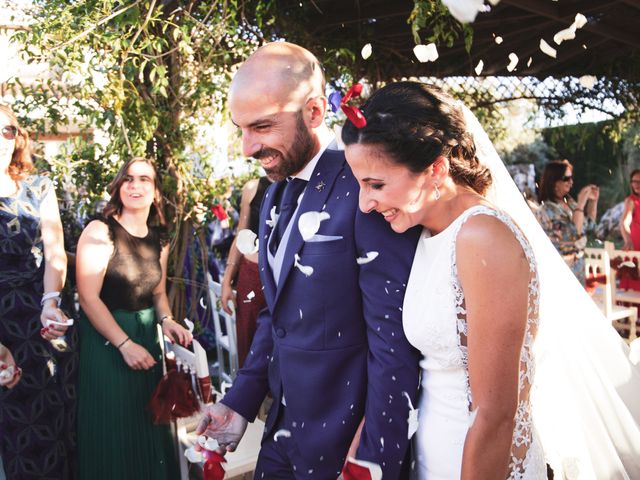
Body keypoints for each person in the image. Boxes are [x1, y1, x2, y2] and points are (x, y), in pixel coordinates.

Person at [342, 81, 640, 479]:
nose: (365, 203)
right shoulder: (427, 233)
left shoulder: (483, 238)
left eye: (376, 184)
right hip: (431, 458)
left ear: (436, 169)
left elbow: (496, 414)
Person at [196, 42, 421, 479]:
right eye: (240, 128)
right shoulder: (274, 192)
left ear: (315, 112)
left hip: (343, 450)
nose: (246, 147)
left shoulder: (366, 190)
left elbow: (394, 344)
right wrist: (239, 404)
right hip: (280, 438)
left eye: (262, 126)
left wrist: (370, 462)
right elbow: (275, 317)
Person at [75, 157, 192, 480]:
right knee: (113, 428)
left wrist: (167, 319)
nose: (135, 185)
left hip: (146, 342)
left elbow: (157, 294)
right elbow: (88, 297)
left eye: (144, 179)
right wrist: (124, 344)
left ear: (155, 192)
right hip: (107, 342)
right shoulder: (100, 230)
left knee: (147, 426)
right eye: (128, 179)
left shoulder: (161, 238)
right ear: (118, 186)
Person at [0, 104, 76, 479]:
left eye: (8, 131)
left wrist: (51, 303)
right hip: (3, 328)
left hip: (43, 317)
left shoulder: (39, 186)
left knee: (61, 422)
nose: (1, 139)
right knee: (20, 436)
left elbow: (54, 251)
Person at [220, 175, 270, 367]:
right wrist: (227, 281)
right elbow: (242, 235)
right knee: (250, 343)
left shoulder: (304, 183)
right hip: (252, 275)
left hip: (288, 277)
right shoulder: (253, 187)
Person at [536, 159, 599, 285]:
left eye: (571, 178)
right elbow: (574, 233)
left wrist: (593, 202)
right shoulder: (547, 209)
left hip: (578, 268)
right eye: (566, 178)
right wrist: (581, 203)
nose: (571, 182)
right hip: (561, 270)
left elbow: (590, 225)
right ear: (554, 181)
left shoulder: (570, 204)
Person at [620, 169, 640, 251]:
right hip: (637, 251)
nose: (636, 184)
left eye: (639, 181)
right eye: (634, 181)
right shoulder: (631, 200)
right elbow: (625, 222)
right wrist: (628, 240)